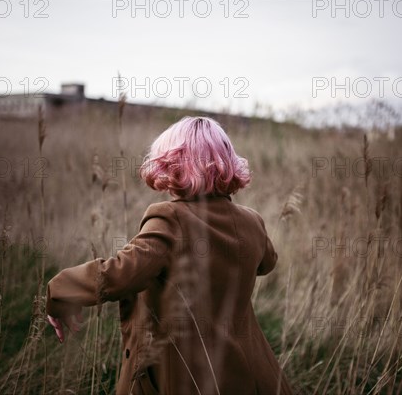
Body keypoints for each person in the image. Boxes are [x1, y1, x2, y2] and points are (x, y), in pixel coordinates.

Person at [46, 116, 293, 395]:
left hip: (189, 378)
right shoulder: (252, 221)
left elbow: (118, 275)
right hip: (257, 376)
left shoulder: (169, 217)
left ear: (172, 165)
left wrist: (59, 290)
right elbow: (267, 263)